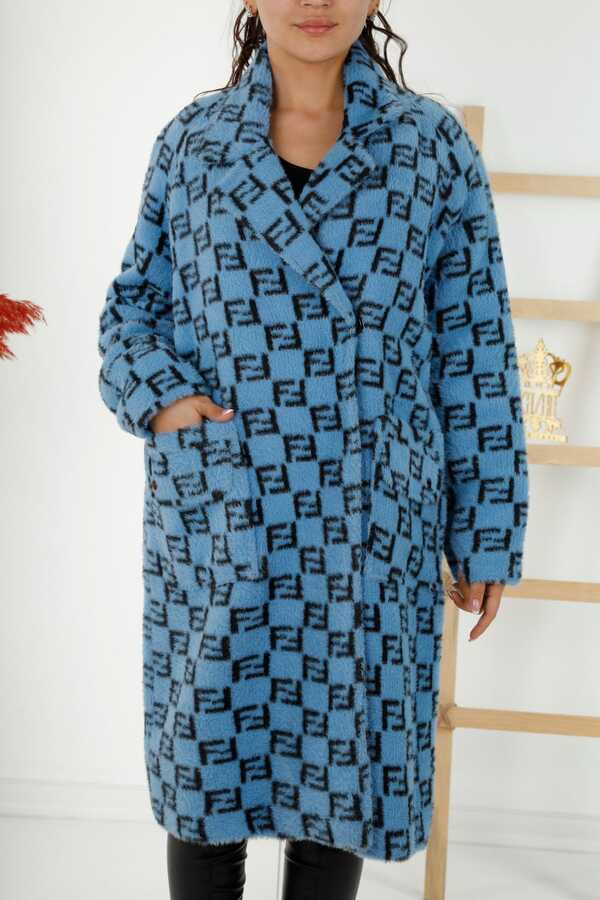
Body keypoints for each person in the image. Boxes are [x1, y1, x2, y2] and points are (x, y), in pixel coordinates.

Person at [97, 1, 530, 898]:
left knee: (344, 769)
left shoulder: (431, 149)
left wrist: (486, 530)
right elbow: (132, 309)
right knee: (206, 771)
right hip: (227, 514)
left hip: (368, 519)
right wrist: (166, 402)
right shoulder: (194, 144)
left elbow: (476, 347)